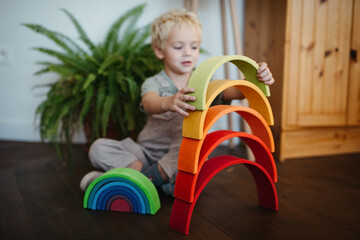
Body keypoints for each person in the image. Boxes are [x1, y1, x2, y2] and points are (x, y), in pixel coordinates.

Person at [80, 8, 275, 195]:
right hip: (145, 153)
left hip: (179, 157)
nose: (187, 53)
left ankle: (125, 182)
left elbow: (237, 91)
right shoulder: (153, 83)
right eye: (178, 47)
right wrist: (168, 102)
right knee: (98, 147)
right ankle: (144, 178)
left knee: (192, 159)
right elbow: (150, 102)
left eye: (194, 46)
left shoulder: (205, 82)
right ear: (159, 50)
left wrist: (255, 79)